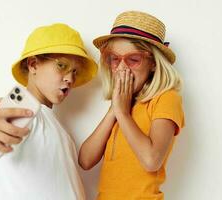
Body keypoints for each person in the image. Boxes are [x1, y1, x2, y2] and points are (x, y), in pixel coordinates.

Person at [0, 23, 97, 199]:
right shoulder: (23, 110)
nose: (70, 78)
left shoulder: (59, 129)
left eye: (74, 71)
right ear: (33, 65)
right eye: (62, 66)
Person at [78, 11, 185, 200]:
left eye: (133, 59)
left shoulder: (166, 98)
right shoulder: (121, 106)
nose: (121, 68)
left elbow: (152, 161)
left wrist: (122, 113)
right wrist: (116, 109)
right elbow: (85, 160)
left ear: (153, 63)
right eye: (114, 59)